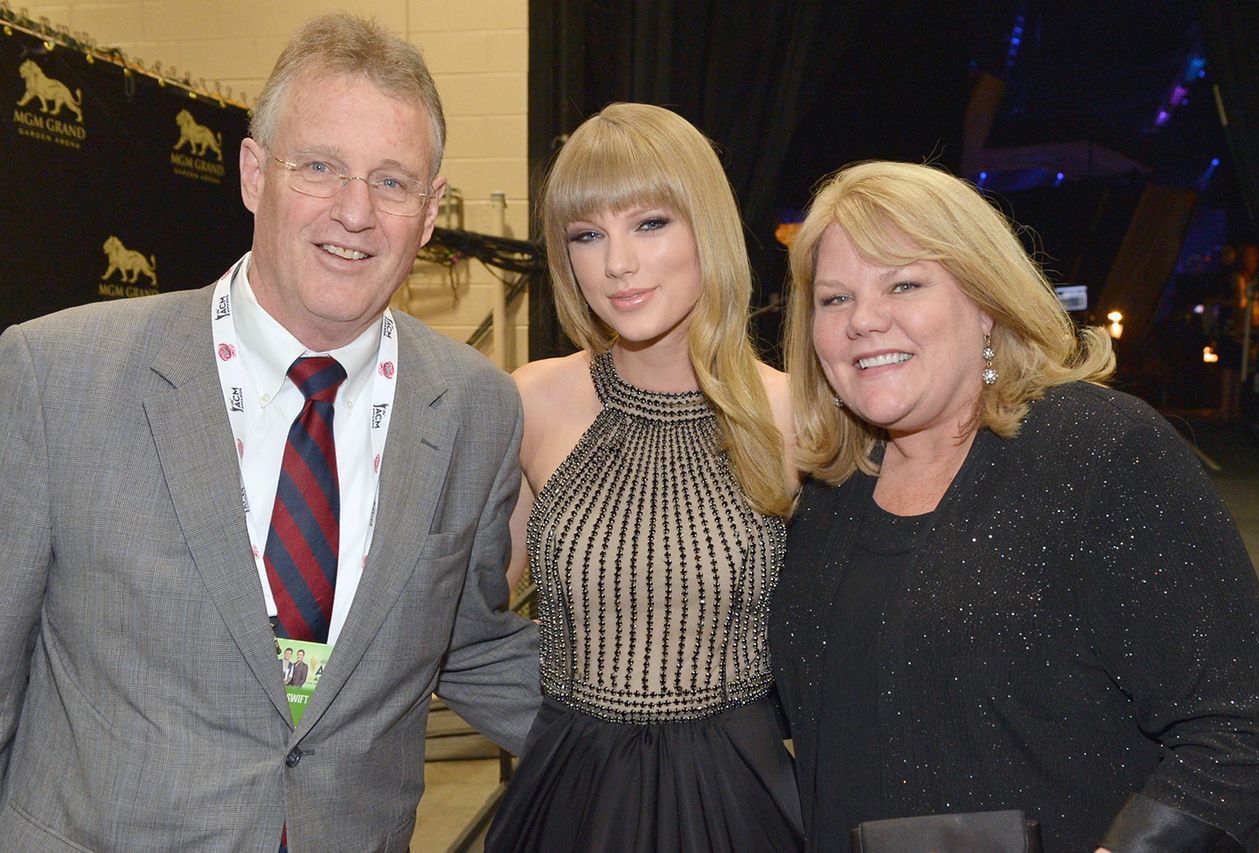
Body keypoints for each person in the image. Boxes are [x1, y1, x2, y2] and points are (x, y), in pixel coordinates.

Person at [0, 12, 539, 851]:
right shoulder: (56, 375)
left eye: (392, 182)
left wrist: (682, 735)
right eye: (319, 166)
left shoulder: (475, 408)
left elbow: (463, 641)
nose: (355, 212)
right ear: (254, 173)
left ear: (431, 212)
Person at [772, 160, 1259, 853]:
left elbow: (1245, 727)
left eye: (905, 283)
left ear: (986, 304)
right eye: (834, 299)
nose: (864, 319)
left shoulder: (1099, 451)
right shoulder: (826, 492)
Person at [485, 102, 803, 851]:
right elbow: (460, 617)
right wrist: (555, 716)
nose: (616, 263)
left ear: (708, 228)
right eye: (587, 235)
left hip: (739, 799)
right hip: (568, 797)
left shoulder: (798, 418)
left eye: (650, 223)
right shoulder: (531, 400)